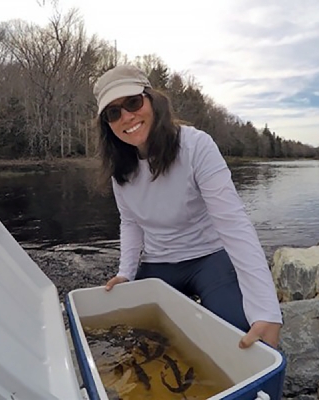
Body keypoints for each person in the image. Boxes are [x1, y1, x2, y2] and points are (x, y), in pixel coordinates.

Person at [93, 64, 282, 349]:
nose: (127, 116)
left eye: (133, 102)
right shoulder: (120, 168)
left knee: (241, 337)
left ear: (152, 100)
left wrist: (267, 308)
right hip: (158, 263)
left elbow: (233, 222)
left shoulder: (196, 146)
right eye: (114, 112)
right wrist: (126, 273)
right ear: (108, 124)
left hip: (209, 257)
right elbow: (130, 222)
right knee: (140, 344)